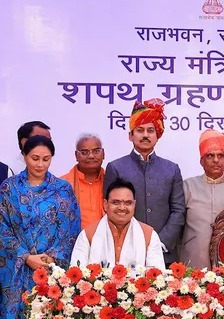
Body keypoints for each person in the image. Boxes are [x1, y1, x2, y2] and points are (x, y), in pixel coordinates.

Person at [0, 135, 81, 319]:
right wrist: (26, 256)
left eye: (46, 159)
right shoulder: (8, 188)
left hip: (50, 274)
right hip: (15, 273)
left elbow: (71, 229)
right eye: (35, 158)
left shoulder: (62, 189)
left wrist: (50, 259)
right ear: (24, 156)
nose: (40, 164)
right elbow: (3, 228)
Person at [103, 99, 186, 265]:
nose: (146, 135)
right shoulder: (116, 167)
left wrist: (160, 243)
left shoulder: (171, 169)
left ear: (158, 135)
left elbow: (178, 210)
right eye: (140, 130)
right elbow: (109, 210)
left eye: (150, 130)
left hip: (164, 252)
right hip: (125, 253)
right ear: (130, 135)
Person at [181, 130, 224, 269]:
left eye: (220, 155)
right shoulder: (187, 186)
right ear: (201, 161)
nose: (215, 160)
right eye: (210, 155)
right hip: (193, 259)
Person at [70, 179, 165, 269]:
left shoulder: (149, 235)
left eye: (128, 203)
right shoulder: (88, 234)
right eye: (116, 202)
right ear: (105, 205)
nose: (122, 207)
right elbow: (77, 274)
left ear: (134, 205)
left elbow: (156, 276)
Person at [61, 133, 106, 228]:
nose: (91, 156)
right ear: (76, 156)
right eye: (84, 152)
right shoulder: (63, 184)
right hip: (74, 240)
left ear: (103, 153)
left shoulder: (113, 181)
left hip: (108, 240)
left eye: (96, 151)